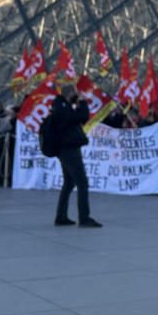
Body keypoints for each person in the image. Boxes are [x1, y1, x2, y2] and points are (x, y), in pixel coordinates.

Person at [50, 83, 100, 227]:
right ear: (70, 94)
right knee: (82, 183)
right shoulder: (62, 108)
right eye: (75, 94)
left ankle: (61, 216)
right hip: (69, 150)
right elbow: (82, 117)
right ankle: (84, 218)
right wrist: (83, 102)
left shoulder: (60, 106)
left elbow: (76, 118)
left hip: (66, 149)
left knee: (69, 183)